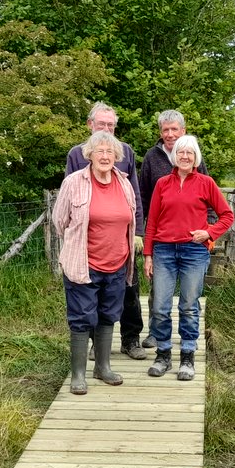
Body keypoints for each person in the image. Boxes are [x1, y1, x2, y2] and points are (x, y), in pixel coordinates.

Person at [143, 134, 233, 382]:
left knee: (189, 306)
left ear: (195, 158)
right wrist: (148, 254)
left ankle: (187, 356)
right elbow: (151, 222)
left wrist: (209, 232)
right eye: (181, 152)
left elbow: (227, 215)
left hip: (194, 252)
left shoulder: (206, 183)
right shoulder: (162, 183)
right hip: (164, 251)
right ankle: (162, 355)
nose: (184, 156)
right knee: (160, 306)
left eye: (189, 153)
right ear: (174, 156)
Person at [53, 131, 138, 395]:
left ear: (117, 157)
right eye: (99, 151)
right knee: (81, 318)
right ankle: (78, 374)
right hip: (83, 264)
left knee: (108, 315)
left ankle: (102, 367)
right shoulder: (74, 182)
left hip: (117, 263)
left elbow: (130, 217)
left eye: (109, 152)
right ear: (88, 154)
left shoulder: (124, 183)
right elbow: (60, 221)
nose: (104, 156)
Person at [66, 102, 147, 359]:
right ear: (90, 125)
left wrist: (138, 232)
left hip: (121, 238)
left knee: (129, 290)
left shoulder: (125, 152)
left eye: (111, 125)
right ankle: (96, 347)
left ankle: (130, 339)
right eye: (101, 124)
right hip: (88, 243)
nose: (106, 129)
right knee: (91, 298)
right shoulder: (76, 154)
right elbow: (66, 204)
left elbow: (134, 193)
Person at [138, 110, 208, 351]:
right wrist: (145, 232)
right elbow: (144, 197)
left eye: (174, 129)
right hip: (162, 239)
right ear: (161, 132)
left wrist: (208, 231)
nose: (169, 134)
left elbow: (208, 195)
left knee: (190, 298)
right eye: (165, 130)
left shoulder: (192, 153)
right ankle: (156, 334)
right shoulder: (151, 157)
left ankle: (188, 340)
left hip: (192, 241)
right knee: (158, 293)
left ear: (183, 131)